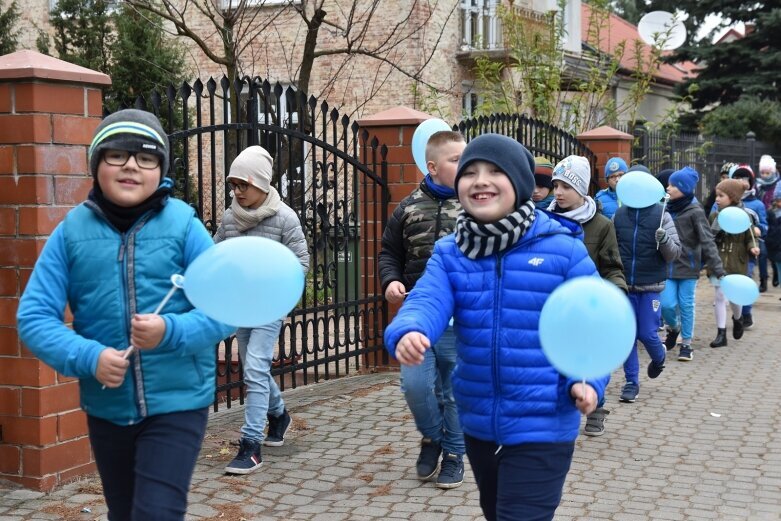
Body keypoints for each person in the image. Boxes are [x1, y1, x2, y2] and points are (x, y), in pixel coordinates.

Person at [16, 109, 236, 521]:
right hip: (107, 405)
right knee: (124, 512)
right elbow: (34, 317)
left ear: (161, 169)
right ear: (97, 163)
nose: (132, 164)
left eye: (147, 157)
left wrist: (170, 330)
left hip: (178, 401)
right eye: (117, 154)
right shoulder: (71, 232)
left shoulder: (184, 226)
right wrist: (89, 358)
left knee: (155, 513)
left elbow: (225, 306)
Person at [384, 134, 607, 521]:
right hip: (480, 423)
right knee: (495, 512)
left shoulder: (564, 250)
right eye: (469, 172)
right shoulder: (450, 252)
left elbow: (592, 325)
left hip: (544, 421)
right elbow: (426, 300)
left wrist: (587, 379)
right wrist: (409, 329)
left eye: (495, 171)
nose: (480, 180)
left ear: (519, 185)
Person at [378, 130, 466, 488]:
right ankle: (432, 437)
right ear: (432, 166)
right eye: (456, 160)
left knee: (454, 392)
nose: (465, 167)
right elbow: (388, 254)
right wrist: (389, 281)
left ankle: (455, 454)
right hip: (419, 317)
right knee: (415, 386)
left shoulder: (474, 206)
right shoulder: (407, 207)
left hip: (461, 319)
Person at [215, 146, 310, 475]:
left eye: (244, 184)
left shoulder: (285, 218)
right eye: (234, 185)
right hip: (243, 306)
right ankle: (279, 414)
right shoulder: (230, 218)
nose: (238, 191)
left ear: (262, 183)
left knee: (254, 366)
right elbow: (217, 256)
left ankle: (250, 445)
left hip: (270, 305)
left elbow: (300, 264)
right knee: (253, 369)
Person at [548, 155, 627, 437]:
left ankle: (597, 405)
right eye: (555, 185)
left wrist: (615, 295)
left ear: (581, 190)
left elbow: (612, 267)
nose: (558, 192)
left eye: (566, 186)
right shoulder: (545, 220)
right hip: (553, 305)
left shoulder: (602, 225)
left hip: (588, 306)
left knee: (589, 360)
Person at [613, 171, 681, 403]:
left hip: (651, 285)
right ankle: (631, 382)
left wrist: (664, 240)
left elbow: (673, 254)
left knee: (647, 333)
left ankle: (659, 356)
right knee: (626, 337)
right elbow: (612, 249)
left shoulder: (662, 215)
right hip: (624, 286)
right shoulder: (619, 215)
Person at [660, 167, 726, 362]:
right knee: (666, 305)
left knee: (686, 305)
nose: (668, 187)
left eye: (673, 185)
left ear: (684, 188)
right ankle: (674, 328)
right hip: (667, 266)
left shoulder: (695, 211)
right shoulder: (664, 207)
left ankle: (686, 344)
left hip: (688, 268)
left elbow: (707, 241)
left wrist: (718, 268)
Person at [707, 179, 760, 347]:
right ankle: (721, 333)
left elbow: (749, 238)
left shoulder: (745, 217)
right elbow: (709, 238)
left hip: (737, 263)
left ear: (733, 197)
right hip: (719, 262)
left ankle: (738, 318)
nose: (717, 199)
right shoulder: (715, 216)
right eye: (716, 195)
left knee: (735, 298)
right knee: (720, 295)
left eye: (721, 196)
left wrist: (753, 248)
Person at [728, 165, 767, 326]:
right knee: (732, 284)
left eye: (744, 179)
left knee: (746, 280)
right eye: (737, 179)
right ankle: (738, 312)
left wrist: (760, 229)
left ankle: (746, 313)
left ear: (750, 182)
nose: (741, 182)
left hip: (749, 250)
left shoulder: (757, 204)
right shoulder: (726, 201)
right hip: (730, 250)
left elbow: (765, 225)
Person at [756, 155, 779, 288]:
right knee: (763, 252)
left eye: (767, 172)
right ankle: (763, 279)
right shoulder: (758, 186)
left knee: (773, 252)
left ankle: (776, 272)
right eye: (763, 172)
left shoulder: (777, 184)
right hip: (762, 220)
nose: (765, 175)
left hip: (774, 220)